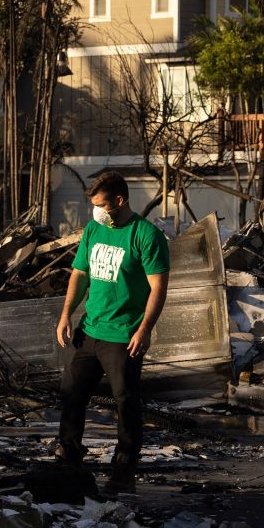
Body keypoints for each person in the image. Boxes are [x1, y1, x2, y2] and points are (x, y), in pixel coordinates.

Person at [55, 171, 170, 496]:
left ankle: (123, 471)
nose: (97, 212)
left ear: (119, 201)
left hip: (124, 335)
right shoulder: (94, 229)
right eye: (93, 206)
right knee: (71, 393)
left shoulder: (145, 235)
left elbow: (157, 289)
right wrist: (66, 315)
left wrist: (145, 329)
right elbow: (79, 275)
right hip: (90, 330)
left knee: (126, 403)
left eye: (102, 205)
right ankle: (69, 458)